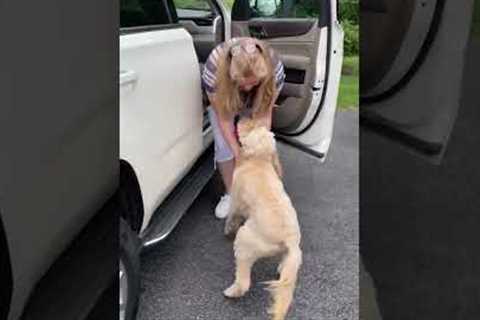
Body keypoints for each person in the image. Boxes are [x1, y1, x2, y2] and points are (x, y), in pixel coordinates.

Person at [202, 37, 285, 218]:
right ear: (232, 74)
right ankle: (232, 194)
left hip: (260, 94)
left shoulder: (274, 68)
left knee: (258, 143)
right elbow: (224, 120)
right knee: (224, 146)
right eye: (244, 82)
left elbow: (264, 114)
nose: (247, 88)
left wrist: (257, 146)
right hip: (224, 93)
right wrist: (237, 151)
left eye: (253, 82)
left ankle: (260, 191)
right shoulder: (213, 70)